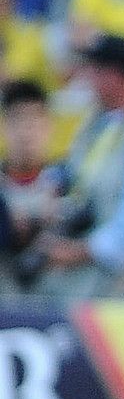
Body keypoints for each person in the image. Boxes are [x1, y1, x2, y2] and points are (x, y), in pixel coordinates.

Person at [28, 34, 124, 300]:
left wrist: (81, 252)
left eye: (95, 70)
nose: (88, 78)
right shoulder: (99, 121)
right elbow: (76, 171)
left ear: (116, 75)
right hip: (88, 272)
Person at [0, 77, 56, 294]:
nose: (26, 132)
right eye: (18, 120)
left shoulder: (66, 185)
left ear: (49, 126)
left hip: (57, 299)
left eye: (34, 120)